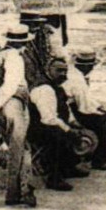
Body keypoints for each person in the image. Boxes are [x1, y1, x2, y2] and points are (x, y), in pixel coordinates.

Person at [0, 24, 37, 207]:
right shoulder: (14, 58)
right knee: (20, 149)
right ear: (22, 43)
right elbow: (10, 85)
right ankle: (20, 191)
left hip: (3, 104)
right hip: (11, 102)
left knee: (18, 148)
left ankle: (16, 191)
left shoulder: (0, 55)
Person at [27, 55, 87, 192]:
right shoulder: (44, 89)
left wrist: (73, 122)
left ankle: (69, 167)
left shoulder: (58, 87)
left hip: (51, 122)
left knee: (74, 127)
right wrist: (68, 130)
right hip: (37, 128)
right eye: (58, 70)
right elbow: (48, 118)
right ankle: (54, 178)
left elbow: (65, 107)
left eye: (65, 71)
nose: (62, 74)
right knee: (58, 135)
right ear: (48, 70)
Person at [61, 48, 106, 172]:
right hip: (68, 108)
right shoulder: (77, 78)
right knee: (101, 119)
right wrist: (98, 110)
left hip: (68, 104)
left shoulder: (74, 72)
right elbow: (84, 104)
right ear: (87, 66)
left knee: (99, 114)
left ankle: (92, 154)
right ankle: (99, 159)